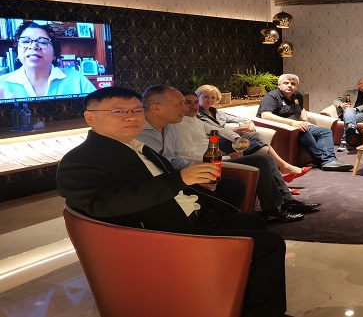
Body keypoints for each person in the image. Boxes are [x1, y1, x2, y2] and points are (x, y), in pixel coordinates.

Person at [56, 87, 288, 316]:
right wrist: (180, 179)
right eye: (118, 111)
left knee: (255, 221)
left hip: (188, 215)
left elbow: (168, 177)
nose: (131, 117)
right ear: (90, 117)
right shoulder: (79, 160)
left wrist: (192, 181)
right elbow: (102, 204)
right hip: (169, 235)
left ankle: (234, 301)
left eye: (136, 110)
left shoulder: (136, 146)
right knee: (271, 244)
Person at [177, 91, 320, 223]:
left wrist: (236, 139)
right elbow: (189, 155)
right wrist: (228, 158)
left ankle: (285, 203)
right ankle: (274, 210)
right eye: (188, 102)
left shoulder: (193, 120)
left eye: (195, 102)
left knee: (266, 158)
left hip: (218, 156)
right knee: (262, 159)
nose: (193, 106)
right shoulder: (180, 126)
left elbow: (220, 130)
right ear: (180, 104)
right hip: (210, 164)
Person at [195, 84, 308, 177]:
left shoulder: (218, 113)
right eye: (205, 97)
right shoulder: (196, 114)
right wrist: (234, 133)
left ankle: (280, 169)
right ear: (198, 97)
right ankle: (283, 167)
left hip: (230, 138)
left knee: (256, 135)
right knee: (260, 148)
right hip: (215, 141)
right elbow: (211, 130)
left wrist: (248, 123)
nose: (209, 100)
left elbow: (240, 119)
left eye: (213, 97)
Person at [258, 74, 353, 171]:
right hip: (279, 128)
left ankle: (330, 160)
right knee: (303, 131)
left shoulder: (297, 95)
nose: (289, 85)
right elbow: (265, 115)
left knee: (325, 131)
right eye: (286, 83)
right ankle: (322, 161)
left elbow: (301, 109)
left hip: (296, 125)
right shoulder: (271, 96)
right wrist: (292, 123)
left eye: (293, 84)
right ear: (279, 85)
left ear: (297, 86)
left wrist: (305, 121)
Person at [0, 21, 96, 99]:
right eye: (25, 41)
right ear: (17, 52)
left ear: (54, 53)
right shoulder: (2, 84)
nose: (33, 46)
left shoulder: (77, 79)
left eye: (42, 42)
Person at [333, 78, 363, 152]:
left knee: (350, 117)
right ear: (359, 85)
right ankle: (350, 128)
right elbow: (336, 100)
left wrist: (356, 109)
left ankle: (345, 141)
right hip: (349, 113)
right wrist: (341, 104)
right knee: (349, 111)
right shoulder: (349, 92)